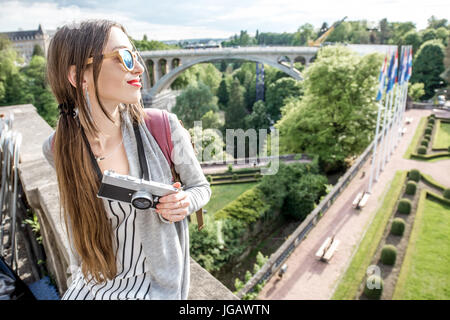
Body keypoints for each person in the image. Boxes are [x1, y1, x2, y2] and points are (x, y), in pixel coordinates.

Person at [41, 19, 211, 300]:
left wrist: (183, 203)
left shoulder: (163, 128)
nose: (140, 68)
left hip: (155, 288)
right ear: (78, 76)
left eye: (136, 55)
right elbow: (75, 226)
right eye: (124, 57)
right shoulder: (59, 147)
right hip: (93, 284)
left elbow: (201, 188)